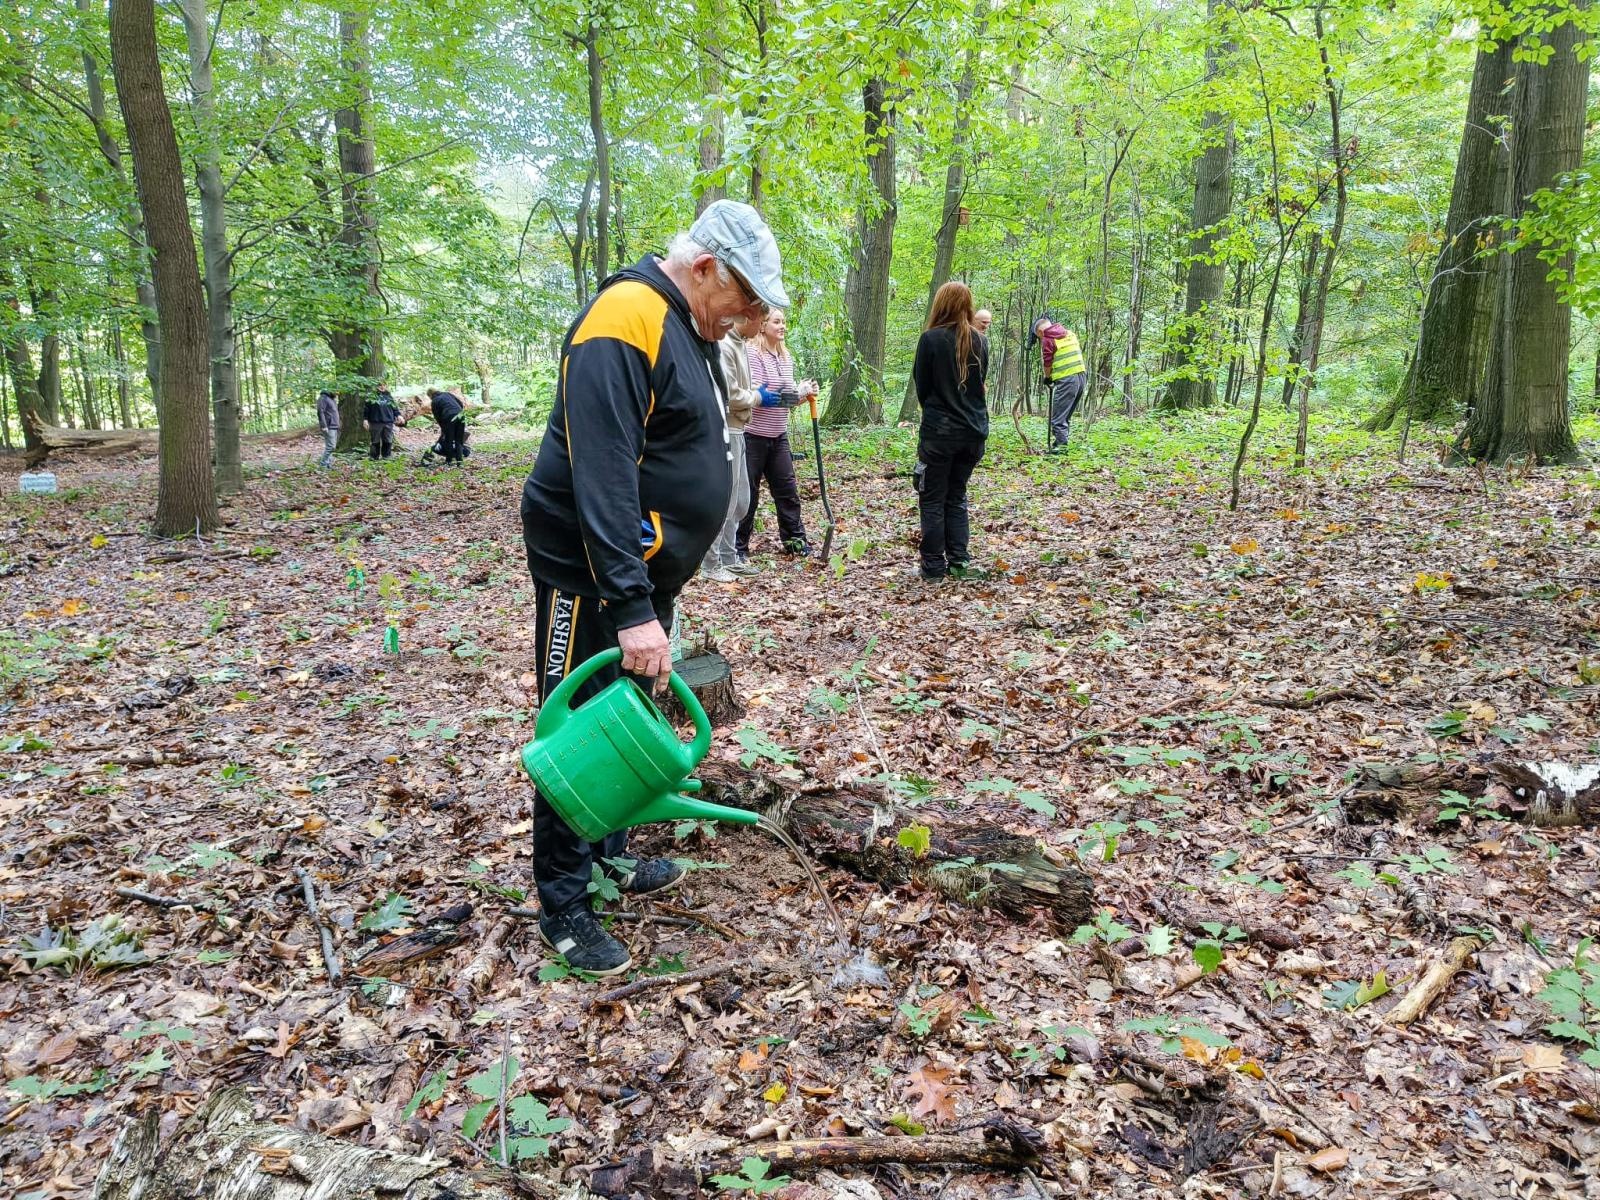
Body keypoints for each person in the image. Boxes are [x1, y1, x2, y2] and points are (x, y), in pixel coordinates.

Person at [520, 199, 787, 976]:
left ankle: (608, 858)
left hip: (639, 575)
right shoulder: (625, 316)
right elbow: (599, 473)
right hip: (589, 575)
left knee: (629, 716)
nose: (745, 317)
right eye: (742, 299)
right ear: (704, 267)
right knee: (578, 729)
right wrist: (630, 607)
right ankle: (565, 905)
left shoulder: (684, 322)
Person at [912, 282, 989, 582]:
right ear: (967, 305)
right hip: (973, 432)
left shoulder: (930, 340)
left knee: (932, 498)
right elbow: (979, 386)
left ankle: (933, 567)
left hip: (940, 434)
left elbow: (923, 387)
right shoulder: (980, 341)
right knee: (956, 496)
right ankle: (958, 561)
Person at [737, 309, 817, 560]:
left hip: (778, 435)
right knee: (748, 493)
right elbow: (760, 397)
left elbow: (787, 402)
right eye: (776, 321)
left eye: (784, 322)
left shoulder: (785, 356)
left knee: (787, 490)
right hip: (753, 435)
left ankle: (795, 541)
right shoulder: (752, 353)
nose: (782, 326)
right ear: (762, 325)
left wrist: (804, 394)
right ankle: (738, 548)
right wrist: (796, 391)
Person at [701, 309, 763, 583]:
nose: (760, 329)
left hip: (740, 428)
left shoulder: (740, 344)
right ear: (749, 317)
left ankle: (729, 557)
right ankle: (710, 563)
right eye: (761, 322)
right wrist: (758, 397)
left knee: (741, 500)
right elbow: (732, 394)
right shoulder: (725, 345)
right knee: (726, 499)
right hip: (727, 429)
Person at [1030, 315, 1086, 454]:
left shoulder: (1048, 339)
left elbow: (1047, 362)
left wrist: (1048, 377)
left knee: (1058, 418)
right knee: (1065, 416)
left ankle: (1060, 450)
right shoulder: (1069, 333)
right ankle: (1059, 444)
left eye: (1039, 337)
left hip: (1067, 380)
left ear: (1040, 332)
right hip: (1081, 377)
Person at [427, 386, 468, 464]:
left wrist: (443, 429)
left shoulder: (434, 401)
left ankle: (449, 460)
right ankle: (459, 461)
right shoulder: (447, 394)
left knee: (448, 439)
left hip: (448, 417)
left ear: (430, 395)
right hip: (460, 415)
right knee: (458, 439)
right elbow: (460, 403)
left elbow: (437, 417)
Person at [364, 384, 402, 460]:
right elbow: (366, 409)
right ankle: (374, 457)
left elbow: (394, 408)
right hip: (375, 421)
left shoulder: (389, 396)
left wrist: (398, 415)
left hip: (388, 422)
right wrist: (365, 420)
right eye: (380, 385)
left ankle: (386, 456)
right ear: (376, 386)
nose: (382, 387)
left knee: (388, 440)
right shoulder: (371, 396)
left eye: (384, 385)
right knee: (375, 440)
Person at [315, 389, 339, 468]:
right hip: (328, 426)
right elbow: (320, 412)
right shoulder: (323, 398)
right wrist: (324, 426)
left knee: (332, 446)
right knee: (331, 446)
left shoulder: (331, 399)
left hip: (334, 426)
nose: (337, 393)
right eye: (336, 391)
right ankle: (323, 464)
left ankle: (328, 464)